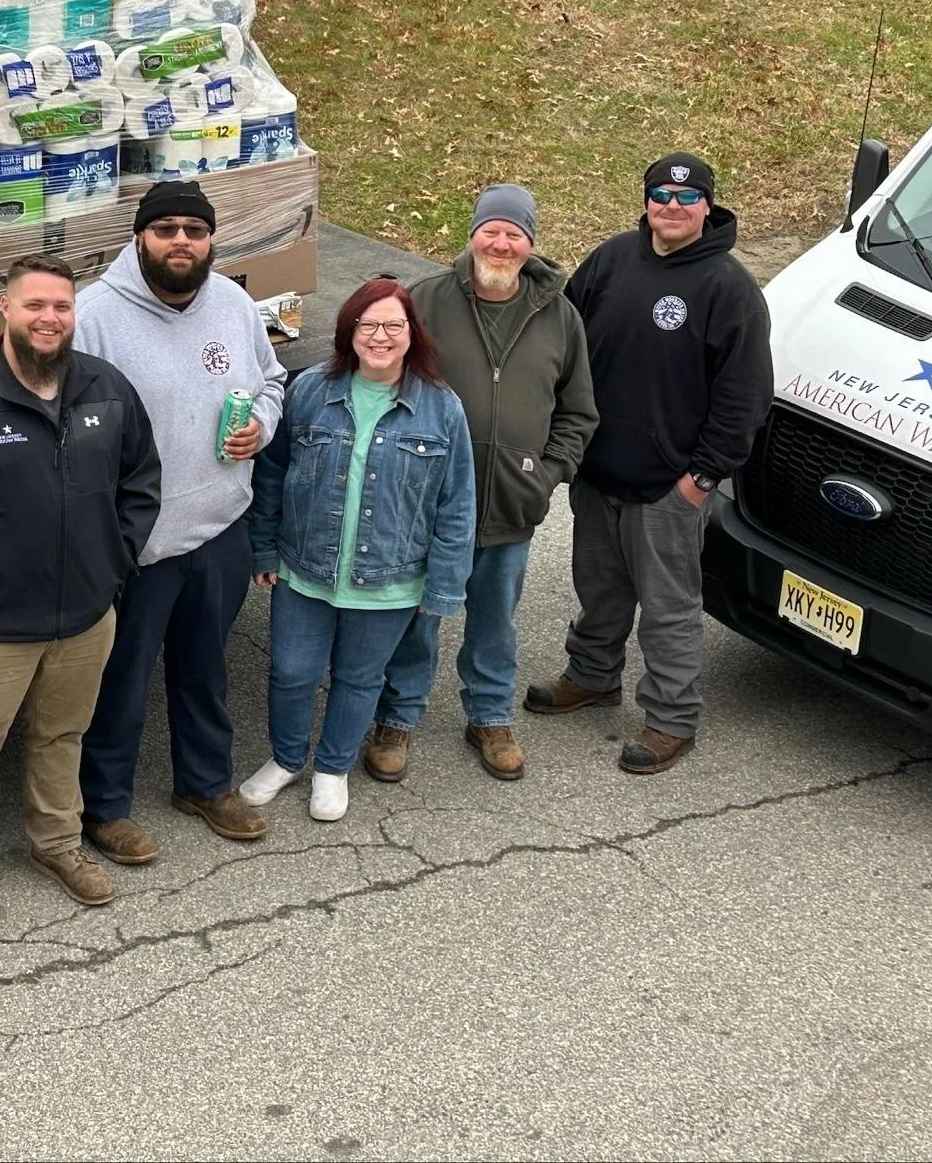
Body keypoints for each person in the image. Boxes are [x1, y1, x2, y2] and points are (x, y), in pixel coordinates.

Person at [0, 254, 162, 941]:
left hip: (84, 615)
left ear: (75, 315)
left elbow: (142, 481)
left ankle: (57, 846)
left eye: (61, 307)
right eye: (35, 305)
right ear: (5, 309)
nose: (49, 318)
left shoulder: (107, 389)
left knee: (62, 734)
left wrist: (113, 565)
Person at [525, 153, 773, 773]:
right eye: (660, 193)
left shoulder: (729, 289)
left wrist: (701, 479)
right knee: (600, 589)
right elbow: (562, 332)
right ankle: (592, 675)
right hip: (598, 471)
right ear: (645, 201)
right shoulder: (612, 259)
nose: (673, 205)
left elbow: (745, 399)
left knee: (668, 610)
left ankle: (671, 719)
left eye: (688, 198)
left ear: (707, 207)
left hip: (671, 487)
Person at [72, 180, 286, 864]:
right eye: (166, 229)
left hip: (220, 527)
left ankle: (203, 783)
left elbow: (273, 380)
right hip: (138, 543)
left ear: (210, 239)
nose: (181, 242)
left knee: (205, 669)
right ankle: (103, 806)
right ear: (140, 237)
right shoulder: (94, 316)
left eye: (194, 230)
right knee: (122, 682)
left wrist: (262, 422)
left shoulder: (233, 303)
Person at [371, 185, 598, 782]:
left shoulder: (559, 316)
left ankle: (490, 717)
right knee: (416, 615)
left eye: (514, 234)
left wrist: (546, 475)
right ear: (472, 234)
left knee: (495, 619)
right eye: (491, 230)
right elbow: (386, 387)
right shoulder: (425, 301)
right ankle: (397, 718)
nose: (501, 243)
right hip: (427, 503)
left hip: (511, 503)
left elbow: (578, 412)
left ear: (530, 243)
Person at [243, 279, 477, 823]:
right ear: (349, 331)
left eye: (393, 325)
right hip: (305, 569)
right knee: (291, 671)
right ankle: (286, 759)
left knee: (359, 678)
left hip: (391, 578)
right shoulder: (309, 392)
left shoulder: (441, 409)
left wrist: (442, 586)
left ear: (411, 334)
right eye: (368, 324)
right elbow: (272, 475)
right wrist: (263, 549)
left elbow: (457, 504)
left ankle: (332, 768)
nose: (380, 336)